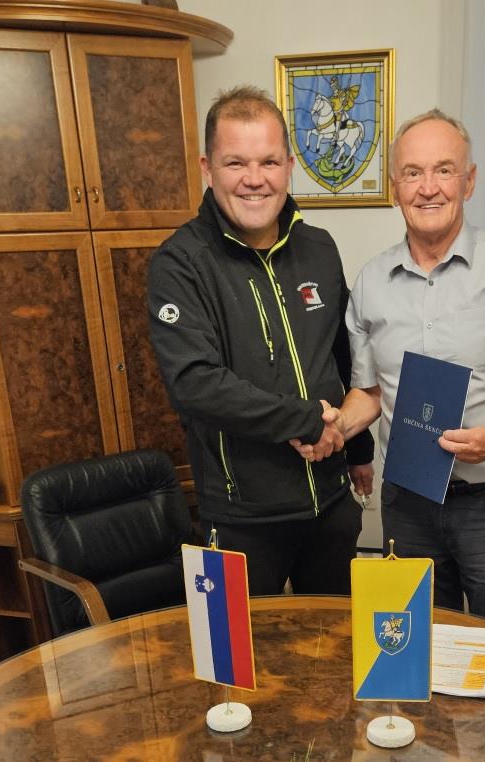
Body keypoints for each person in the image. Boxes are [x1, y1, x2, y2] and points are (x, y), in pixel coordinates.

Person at [295, 109, 485, 629]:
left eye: (444, 170)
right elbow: (370, 391)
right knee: (413, 642)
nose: (428, 188)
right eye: (413, 173)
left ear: (469, 181)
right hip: (409, 503)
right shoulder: (371, 281)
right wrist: (335, 427)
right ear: (395, 186)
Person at [147, 86, 374, 597]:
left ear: (289, 166)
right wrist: (307, 420)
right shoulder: (180, 264)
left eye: (269, 161)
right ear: (207, 168)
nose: (255, 179)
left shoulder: (319, 247)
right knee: (236, 652)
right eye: (236, 163)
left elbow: (345, 357)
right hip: (241, 521)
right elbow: (195, 384)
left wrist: (358, 447)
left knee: (338, 642)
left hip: (330, 506)